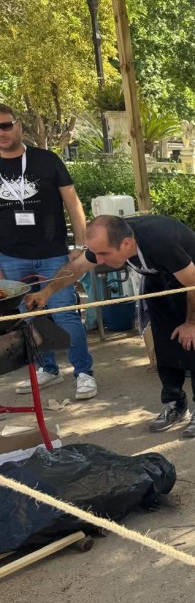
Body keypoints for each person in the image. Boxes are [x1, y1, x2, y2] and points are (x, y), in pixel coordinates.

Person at [27, 214, 195, 438]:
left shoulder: (162, 242)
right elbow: (77, 267)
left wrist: (191, 323)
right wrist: (47, 292)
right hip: (158, 280)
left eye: (104, 254)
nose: (98, 260)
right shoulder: (111, 241)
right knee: (165, 345)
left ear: (126, 244)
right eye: (96, 254)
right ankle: (175, 404)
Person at [0, 103, 97, 400]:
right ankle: (48, 369)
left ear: (18, 126)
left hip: (53, 254)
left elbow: (73, 204)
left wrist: (80, 246)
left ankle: (83, 373)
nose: (1, 133)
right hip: (10, 256)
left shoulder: (46, 160)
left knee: (65, 314)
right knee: (27, 316)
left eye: (6, 125)